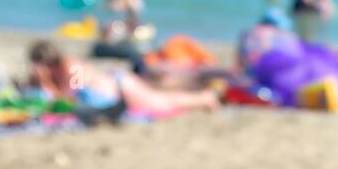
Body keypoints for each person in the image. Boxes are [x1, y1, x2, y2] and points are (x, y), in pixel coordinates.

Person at [26, 40, 217, 115]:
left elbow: (71, 97)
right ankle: (203, 96)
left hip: (119, 86)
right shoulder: (61, 70)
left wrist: (45, 82)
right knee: (161, 98)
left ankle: (206, 98)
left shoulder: (72, 68)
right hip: (117, 88)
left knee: (163, 102)